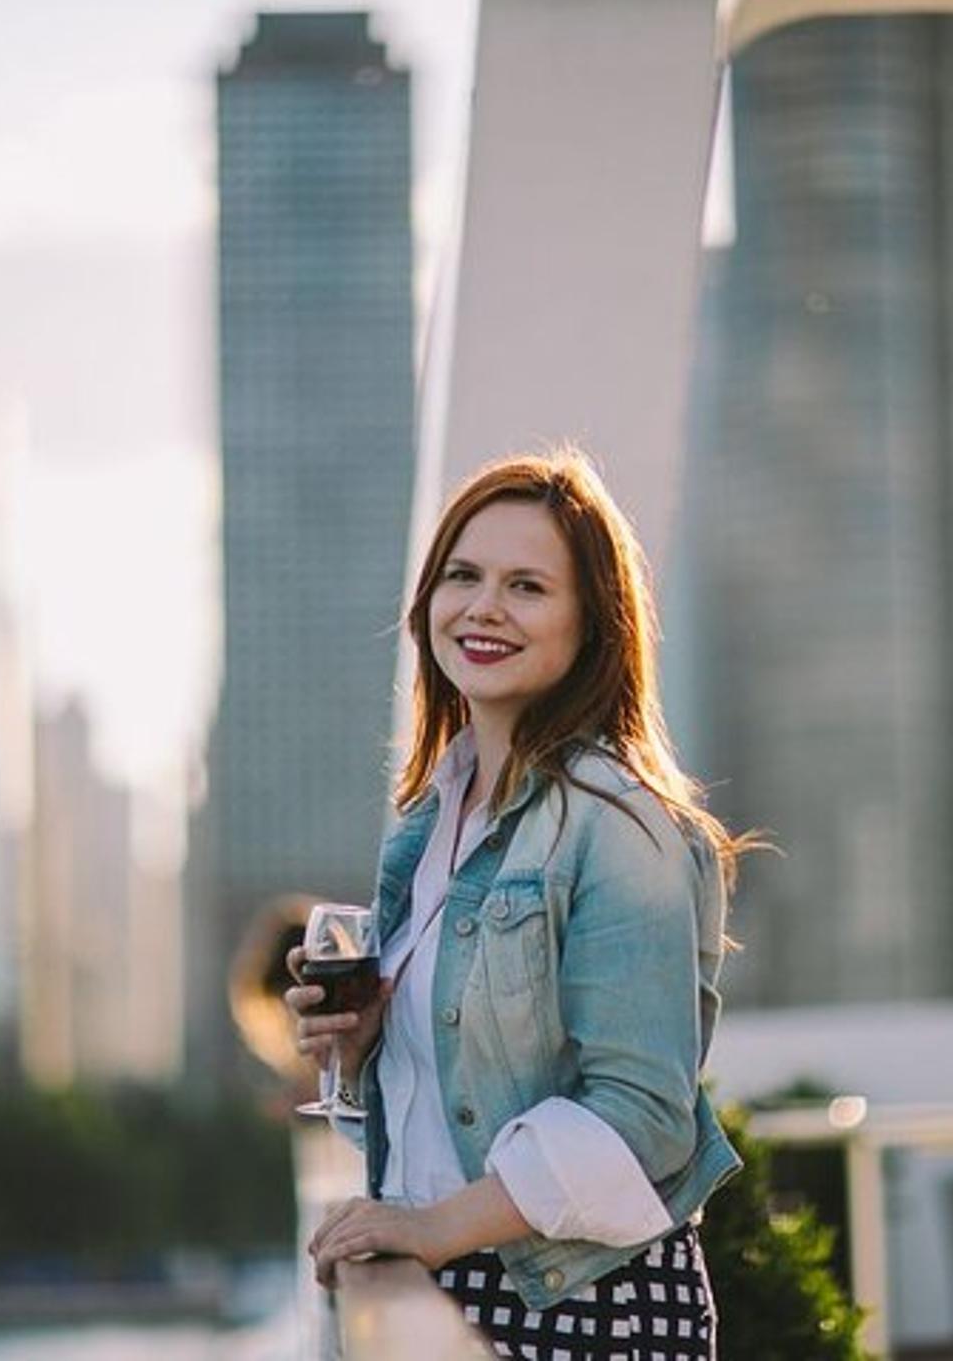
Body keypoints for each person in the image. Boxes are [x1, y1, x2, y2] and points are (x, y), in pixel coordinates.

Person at [285, 447, 751, 1359]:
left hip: (588, 1305)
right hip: (460, 1283)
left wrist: (430, 1229)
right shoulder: (430, 826)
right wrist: (370, 1043)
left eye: (527, 586)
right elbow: (451, 1106)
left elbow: (642, 1112)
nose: (484, 606)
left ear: (593, 624)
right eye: (463, 575)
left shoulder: (622, 823)